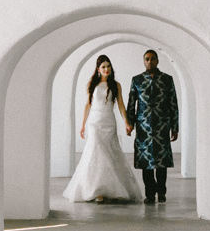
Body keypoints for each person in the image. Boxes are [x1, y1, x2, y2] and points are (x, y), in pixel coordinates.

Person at [61, 55, 145, 204]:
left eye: (108, 66)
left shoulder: (116, 85)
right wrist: (82, 125)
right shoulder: (92, 84)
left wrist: (126, 122)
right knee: (95, 152)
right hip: (94, 122)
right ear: (98, 69)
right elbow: (88, 105)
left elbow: (120, 105)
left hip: (109, 121)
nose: (107, 69)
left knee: (109, 153)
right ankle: (96, 190)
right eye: (103, 67)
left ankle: (111, 189)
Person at [127, 49, 179, 204]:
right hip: (143, 127)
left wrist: (174, 127)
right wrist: (130, 124)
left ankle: (161, 192)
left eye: (152, 59)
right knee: (146, 162)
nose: (150, 62)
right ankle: (150, 193)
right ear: (144, 61)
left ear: (157, 61)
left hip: (162, 125)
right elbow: (131, 104)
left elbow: (173, 104)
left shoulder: (167, 79)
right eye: (147, 59)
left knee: (161, 162)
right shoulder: (137, 80)